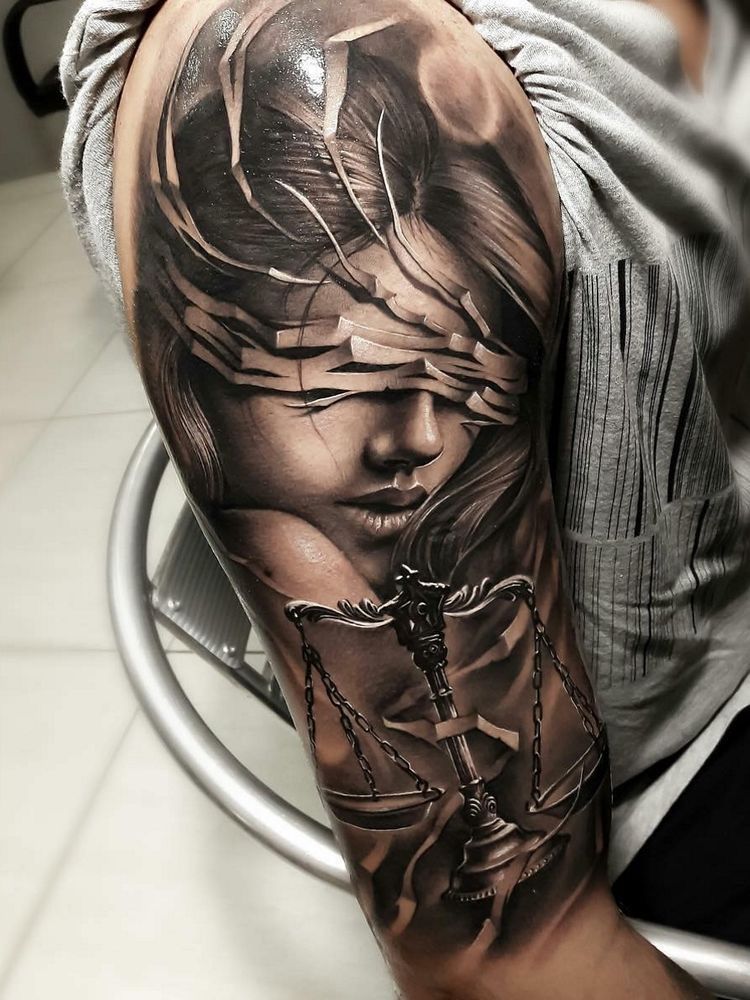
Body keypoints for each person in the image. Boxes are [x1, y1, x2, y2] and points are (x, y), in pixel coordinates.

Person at [60, 0, 750, 995]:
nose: (421, 438)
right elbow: (503, 968)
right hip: (673, 793)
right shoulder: (310, 58)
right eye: (347, 381)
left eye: (463, 370)